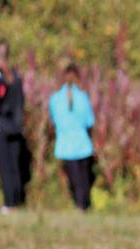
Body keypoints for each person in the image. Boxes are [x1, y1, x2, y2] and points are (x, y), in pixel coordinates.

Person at [0, 39, 25, 213]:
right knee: (14, 165)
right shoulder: (16, 76)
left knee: (5, 166)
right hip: (16, 127)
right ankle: (16, 201)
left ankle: (9, 203)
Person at [48, 63, 96, 210]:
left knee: (74, 179)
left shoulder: (55, 99)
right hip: (83, 143)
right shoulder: (83, 97)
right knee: (84, 178)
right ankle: (84, 205)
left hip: (65, 145)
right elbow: (90, 121)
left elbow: (53, 121)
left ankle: (80, 205)